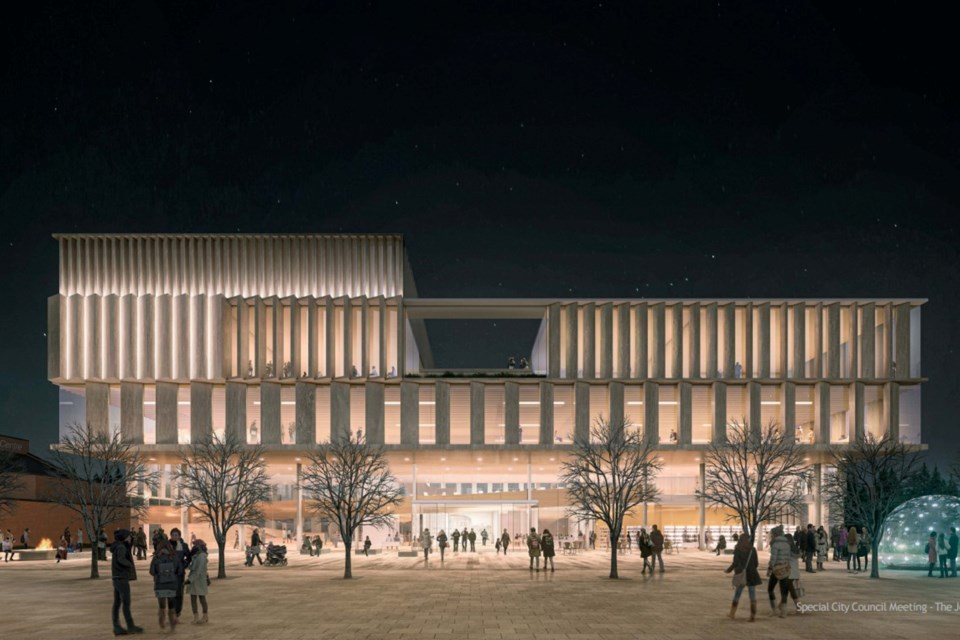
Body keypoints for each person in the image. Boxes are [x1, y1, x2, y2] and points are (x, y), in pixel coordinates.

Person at [110, 529, 143, 636]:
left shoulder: (119, 546)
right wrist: (129, 564)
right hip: (121, 577)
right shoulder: (121, 547)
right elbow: (121, 559)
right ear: (124, 537)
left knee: (117, 603)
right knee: (125, 603)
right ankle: (130, 626)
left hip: (117, 577)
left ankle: (117, 626)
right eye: (128, 536)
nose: (130, 538)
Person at [724, 534, 761, 622]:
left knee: (737, 593)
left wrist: (729, 570)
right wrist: (752, 568)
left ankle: (732, 614)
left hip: (741, 574)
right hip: (752, 574)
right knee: (752, 595)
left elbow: (735, 562)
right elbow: (756, 563)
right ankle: (753, 615)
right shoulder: (752, 549)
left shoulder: (738, 549)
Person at [149, 540, 182, 631]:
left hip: (160, 584)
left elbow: (151, 571)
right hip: (172, 584)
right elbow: (179, 571)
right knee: (171, 605)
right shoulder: (174, 557)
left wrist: (158, 574)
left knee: (162, 605)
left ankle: (162, 622)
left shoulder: (156, 558)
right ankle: (172, 624)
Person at [766, 525, 791, 615]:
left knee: (770, 589)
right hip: (785, 568)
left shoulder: (775, 544)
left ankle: (774, 609)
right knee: (783, 590)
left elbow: (773, 558)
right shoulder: (786, 544)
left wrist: (770, 568)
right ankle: (784, 611)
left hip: (776, 569)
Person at [777, 534, 803, 617]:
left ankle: (794, 607)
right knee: (788, 589)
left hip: (788, 572)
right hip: (794, 572)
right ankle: (781, 606)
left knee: (787, 590)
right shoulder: (795, 548)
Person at [186, 539, 209, 624]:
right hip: (194, 579)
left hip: (199, 580)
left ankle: (205, 616)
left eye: (195, 545)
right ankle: (195, 616)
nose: (194, 547)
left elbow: (199, 570)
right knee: (193, 598)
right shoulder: (196, 555)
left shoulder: (202, 556)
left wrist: (189, 580)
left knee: (202, 598)